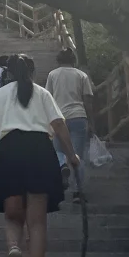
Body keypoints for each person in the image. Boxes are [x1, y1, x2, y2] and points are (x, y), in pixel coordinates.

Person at [0, 54, 80, 257]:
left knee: (13, 215)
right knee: (37, 222)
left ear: (7, 73)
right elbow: (59, 124)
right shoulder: (42, 93)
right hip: (39, 150)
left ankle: (14, 247)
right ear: (32, 72)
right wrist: (71, 155)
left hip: (9, 150)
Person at [45, 47, 95, 197]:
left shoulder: (52, 75)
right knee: (78, 155)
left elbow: (49, 98)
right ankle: (78, 193)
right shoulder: (81, 75)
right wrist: (91, 122)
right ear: (73, 60)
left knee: (58, 151)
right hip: (79, 117)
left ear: (58, 60)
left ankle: (62, 165)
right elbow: (88, 100)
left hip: (59, 119)